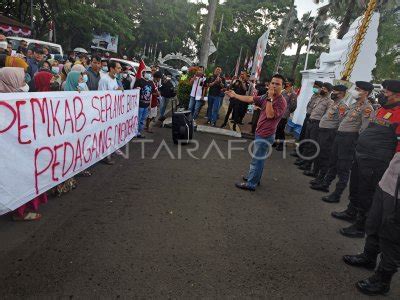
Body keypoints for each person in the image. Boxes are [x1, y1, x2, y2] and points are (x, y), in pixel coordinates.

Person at [339, 80, 400, 238]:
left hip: (376, 162)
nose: (382, 95)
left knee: (367, 193)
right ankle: (351, 211)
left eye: (386, 92)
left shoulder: (399, 114)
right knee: (356, 187)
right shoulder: (381, 109)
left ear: (398, 95)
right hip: (362, 156)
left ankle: (360, 226)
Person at [342, 152, 399, 296]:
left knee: (391, 237)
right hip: (388, 180)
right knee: (373, 222)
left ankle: (383, 279)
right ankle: (369, 256)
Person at [311, 81, 374, 205]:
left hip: (349, 139)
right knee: (333, 162)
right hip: (340, 136)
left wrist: (355, 142)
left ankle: (337, 194)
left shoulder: (367, 108)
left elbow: (364, 129)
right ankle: (325, 184)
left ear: (366, 92)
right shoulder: (354, 104)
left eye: (358, 89)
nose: (355, 91)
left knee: (343, 168)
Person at [225, 74, 287, 191]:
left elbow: (270, 115)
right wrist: (235, 95)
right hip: (260, 132)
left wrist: (270, 98)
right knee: (258, 159)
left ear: (282, 86)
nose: (273, 86)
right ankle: (254, 178)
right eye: (272, 83)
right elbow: (251, 99)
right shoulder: (266, 96)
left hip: (266, 135)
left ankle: (251, 183)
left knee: (257, 160)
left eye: (277, 84)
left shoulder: (281, 101)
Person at [0, 67, 47, 221]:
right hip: (12, 153)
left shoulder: (17, 98)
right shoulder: (6, 101)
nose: (24, 83)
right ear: (11, 81)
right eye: (20, 80)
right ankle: (19, 211)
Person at [309, 84, 348, 187]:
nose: (333, 93)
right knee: (319, 154)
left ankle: (321, 178)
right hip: (323, 132)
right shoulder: (334, 103)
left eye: (335, 91)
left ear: (342, 94)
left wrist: (333, 133)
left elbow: (341, 122)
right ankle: (317, 175)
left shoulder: (342, 106)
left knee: (325, 156)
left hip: (329, 134)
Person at [298, 82, 333, 174]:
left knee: (312, 145)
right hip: (310, 121)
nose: (322, 90)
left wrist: (320, 124)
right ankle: (303, 160)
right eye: (322, 88)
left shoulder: (329, 102)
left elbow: (327, 115)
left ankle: (308, 164)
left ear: (329, 91)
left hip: (317, 124)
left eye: (325, 89)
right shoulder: (319, 98)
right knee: (307, 141)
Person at [292, 81, 323, 159]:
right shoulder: (314, 95)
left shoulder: (320, 98)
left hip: (313, 118)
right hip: (307, 116)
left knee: (308, 137)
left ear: (320, 88)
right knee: (303, 134)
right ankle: (299, 150)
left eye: (316, 87)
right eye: (314, 86)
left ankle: (303, 154)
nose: (314, 88)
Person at [275, 78, 297, 151]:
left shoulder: (293, 94)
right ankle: (276, 142)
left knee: (280, 129)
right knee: (277, 128)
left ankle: (282, 144)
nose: (286, 84)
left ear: (290, 84)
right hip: (278, 112)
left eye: (287, 83)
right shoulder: (283, 92)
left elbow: (293, 106)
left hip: (284, 114)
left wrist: (287, 111)